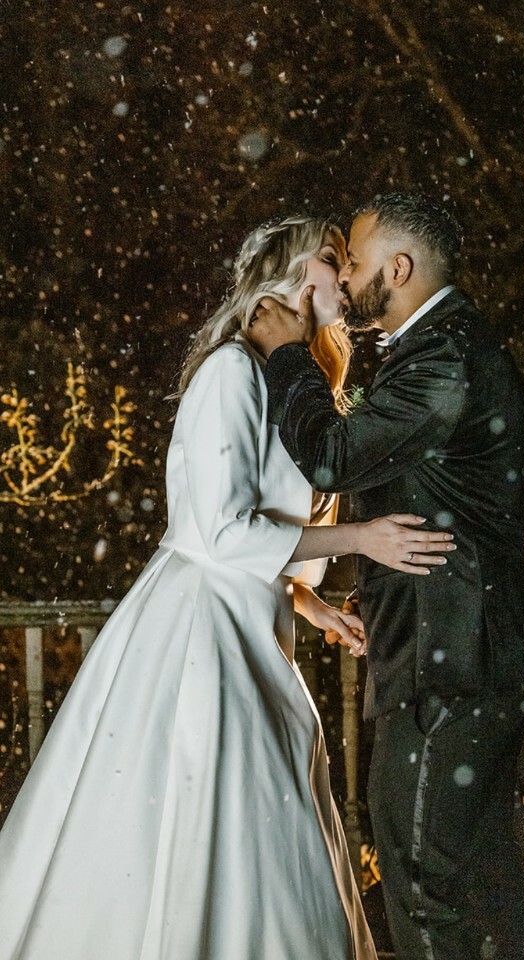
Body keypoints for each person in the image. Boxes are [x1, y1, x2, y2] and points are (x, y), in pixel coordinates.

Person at [0, 215, 456, 960]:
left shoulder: (291, 377)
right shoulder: (232, 371)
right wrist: (361, 538)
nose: (345, 277)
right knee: (227, 819)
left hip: (253, 631)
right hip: (200, 641)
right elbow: (217, 534)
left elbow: (266, 526)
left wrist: (308, 603)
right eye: (331, 260)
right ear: (286, 275)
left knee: (261, 821)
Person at [249, 194, 524, 960]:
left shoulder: (444, 355)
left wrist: (288, 355)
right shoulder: (440, 348)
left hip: (449, 666)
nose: (344, 277)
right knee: (484, 876)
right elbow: (431, 495)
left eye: (351, 260)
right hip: (458, 653)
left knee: (421, 878)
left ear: (399, 267)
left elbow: (334, 457)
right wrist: (366, 590)